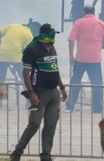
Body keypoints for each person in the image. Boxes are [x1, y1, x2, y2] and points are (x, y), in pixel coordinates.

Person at [9, 23, 68, 161]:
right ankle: (17, 152)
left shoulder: (52, 48)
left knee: (51, 124)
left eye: (54, 34)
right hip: (39, 92)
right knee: (34, 124)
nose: (53, 37)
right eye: (50, 34)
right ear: (43, 34)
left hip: (54, 92)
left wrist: (62, 88)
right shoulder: (32, 49)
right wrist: (31, 93)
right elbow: (26, 72)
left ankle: (46, 154)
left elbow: (55, 69)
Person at [66, 4, 104, 113]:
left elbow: (71, 40)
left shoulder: (78, 23)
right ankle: (96, 108)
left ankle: (69, 106)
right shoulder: (103, 25)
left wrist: (71, 55)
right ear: (94, 12)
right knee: (96, 84)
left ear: (84, 12)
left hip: (80, 58)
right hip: (95, 59)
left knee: (75, 82)